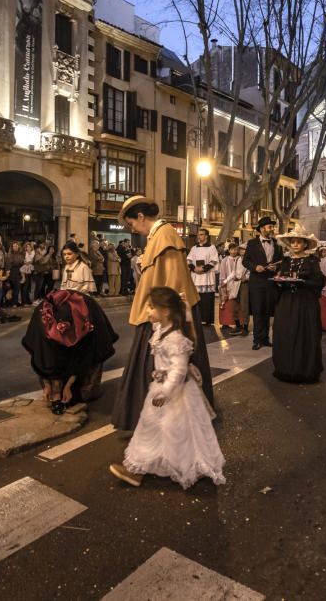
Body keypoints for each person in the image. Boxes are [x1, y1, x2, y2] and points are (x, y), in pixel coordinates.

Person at [112, 196, 213, 431]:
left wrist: (166, 323)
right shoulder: (158, 237)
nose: (132, 229)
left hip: (163, 316)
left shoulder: (165, 236)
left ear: (140, 216)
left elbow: (173, 283)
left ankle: (166, 422)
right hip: (158, 312)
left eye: (132, 224)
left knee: (165, 368)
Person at [109, 286, 225, 489]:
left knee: (174, 431)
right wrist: (184, 309)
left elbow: (179, 371)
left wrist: (165, 392)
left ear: (165, 311)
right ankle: (138, 468)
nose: (148, 312)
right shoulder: (163, 330)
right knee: (154, 428)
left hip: (174, 394)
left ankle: (181, 467)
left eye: (151, 308)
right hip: (161, 390)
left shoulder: (175, 339)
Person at [23, 241, 118, 413]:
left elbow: (86, 289)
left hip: (79, 303)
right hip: (65, 302)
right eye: (64, 254)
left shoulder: (83, 267)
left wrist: (76, 301)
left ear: (76, 254)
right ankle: (52, 386)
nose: (67, 257)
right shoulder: (66, 268)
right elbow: (64, 286)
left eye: (69, 254)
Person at [271, 226, 324, 383]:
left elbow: (319, 281)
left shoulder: (312, 260)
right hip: (286, 303)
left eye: (298, 242)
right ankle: (286, 368)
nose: (295, 245)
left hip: (305, 303)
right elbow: (280, 279)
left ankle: (304, 370)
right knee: (285, 333)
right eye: (292, 242)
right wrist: (279, 282)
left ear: (305, 245)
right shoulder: (285, 261)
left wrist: (303, 283)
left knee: (304, 335)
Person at [242, 216, 283, 350]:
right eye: (269, 226)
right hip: (257, 282)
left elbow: (281, 261)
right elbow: (245, 261)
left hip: (271, 281)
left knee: (267, 311)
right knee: (258, 310)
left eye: (272, 226)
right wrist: (255, 267)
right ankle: (257, 339)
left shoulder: (276, 244)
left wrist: (276, 267)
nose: (272, 229)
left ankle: (265, 338)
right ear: (261, 229)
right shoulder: (252, 243)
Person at [187, 229, 219, 326]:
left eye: (201, 235)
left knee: (207, 299)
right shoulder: (194, 248)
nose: (199, 236)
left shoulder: (212, 248)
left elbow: (214, 261)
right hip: (196, 277)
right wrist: (194, 268)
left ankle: (208, 320)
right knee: (197, 299)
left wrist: (203, 269)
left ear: (206, 236)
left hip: (206, 277)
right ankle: (197, 319)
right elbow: (188, 260)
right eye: (198, 235)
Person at [219, 244, 250, 335]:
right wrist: (225, 281)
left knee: (244, 306)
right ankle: (238, 326)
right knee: (235, 305)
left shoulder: (250, 260)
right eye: (240, 249)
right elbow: (233, 272)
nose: (241, 251)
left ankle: (245, 327)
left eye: (244, 250)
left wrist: (247, 278)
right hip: (235, 283)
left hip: (244, 284)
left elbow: (251, 271)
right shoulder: (237, 259)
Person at [6, 241, 26, 306]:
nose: (15, 247)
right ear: (12, 247)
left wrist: (23, 275)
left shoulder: (21, 254)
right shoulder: (9, 254)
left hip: (19, 271)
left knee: (17, 288)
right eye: (14, 246)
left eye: (16, 246)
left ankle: (16, 302)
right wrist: (8, 273)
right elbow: (8, 264)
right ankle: (11, 303)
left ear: (18, 246)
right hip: (12, 272)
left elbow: (22, 264)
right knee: (11, 288)